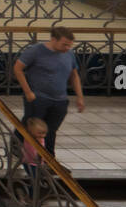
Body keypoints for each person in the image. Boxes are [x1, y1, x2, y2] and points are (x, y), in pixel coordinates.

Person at [12, 25, 85, 156]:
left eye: (69, 45)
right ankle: (21, 149)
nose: (67, 48)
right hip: (37, 97)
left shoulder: (69, 54)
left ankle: (47, 157)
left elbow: (74, 75)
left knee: (51, 130)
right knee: (32, 126)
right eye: (64, 45)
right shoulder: (35, 51)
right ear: (53, 39)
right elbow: (18, 68)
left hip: (60, 99)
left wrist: (79, 97)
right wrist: (28, 92)